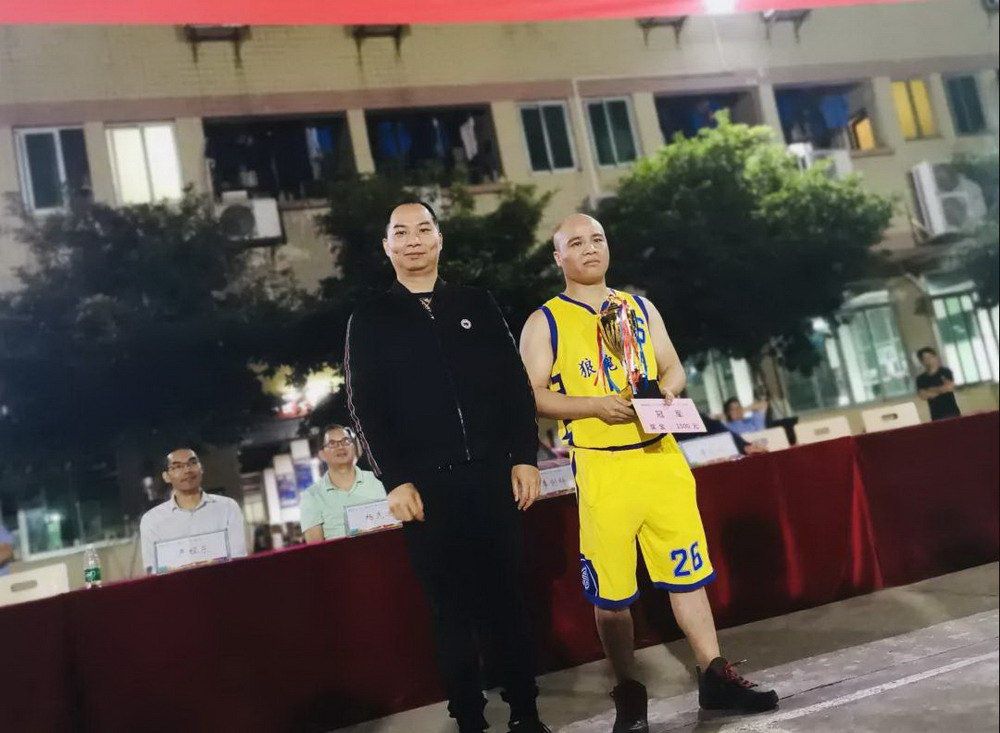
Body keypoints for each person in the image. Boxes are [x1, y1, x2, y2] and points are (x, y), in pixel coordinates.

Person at [519, 213, 778, 733]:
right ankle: (629, 694)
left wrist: (667, 392)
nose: (590, 248)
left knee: (687, 573)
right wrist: (594, 405)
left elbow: (672, 367)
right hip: (603, 466)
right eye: (576, 242)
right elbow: (531, 395)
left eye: (597, 239)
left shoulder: (638, 307)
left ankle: (714, 674)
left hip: (661, 456)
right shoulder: (545, 321)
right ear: (558, 257)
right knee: (613, 594)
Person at [344, 200, 550, 733]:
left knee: (509, 602)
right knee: (450, 611)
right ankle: (470, 720)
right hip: (427, 491)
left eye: (423, 229)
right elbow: (365, 407)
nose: (413, 240)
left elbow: (515, 389)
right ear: (386, 246)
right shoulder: (370, 319)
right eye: (401, 233)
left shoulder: (477, 303)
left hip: (494, 479)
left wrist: (524, 457)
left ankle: (526, 714)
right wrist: (395, 480)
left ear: (439, 239)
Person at [139, 448, 247, 574]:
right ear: (166, 476)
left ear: (201, 468)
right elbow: (153, 569)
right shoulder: (152, 520)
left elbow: (238, 556)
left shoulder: (228, 507)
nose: (187, 470)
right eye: (177, 466)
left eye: (192, 463)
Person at [300, 424, 387, 542]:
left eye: (346, 441)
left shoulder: (379, 480)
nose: (340, 447)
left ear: (354, 447)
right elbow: (315, 547)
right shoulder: (311, 496)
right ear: (322, 454)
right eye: (332, 443)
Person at [916, 347, 961, 421]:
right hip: (936, 415)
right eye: (925, 358)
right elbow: (923, 395)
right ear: (922, 361)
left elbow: (949, 388)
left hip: (952, 412)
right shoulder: (921, 378)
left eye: (930, 357)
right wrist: (941, 389)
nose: (929, 360)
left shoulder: (945, 372)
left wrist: (930, 389)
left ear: (935, 357)